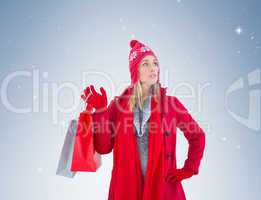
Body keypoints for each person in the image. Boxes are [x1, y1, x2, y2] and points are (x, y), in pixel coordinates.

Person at [81, 40, 206, 200]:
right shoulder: (118, 106)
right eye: (145, 64)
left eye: (155, 63)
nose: (153, 68)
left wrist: (190, 168)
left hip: (163, 190)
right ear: (136, 71)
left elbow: (197, 136)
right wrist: (100, 111)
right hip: (127, 189)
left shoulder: (171, 105)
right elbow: (104, 148)